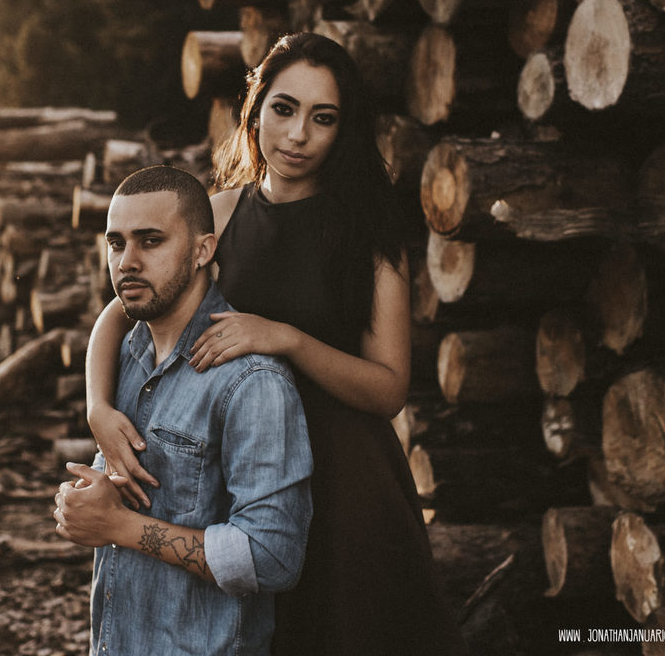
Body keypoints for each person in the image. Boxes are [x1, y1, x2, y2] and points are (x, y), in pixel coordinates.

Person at [85, 33, 467, 655]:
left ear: (344, 131)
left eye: (323, 118)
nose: (297, 136)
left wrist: (286, 338)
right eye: (283, 109)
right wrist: (99, 409)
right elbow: (119, 314)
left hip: (343, 482)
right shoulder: (222, 213)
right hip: (233, 474)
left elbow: (389, 388)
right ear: (255, 109)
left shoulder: (368, 233)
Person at [53, 165, 313, 656]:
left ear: (202, 250)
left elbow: (273, 557)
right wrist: (86, 503)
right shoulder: (126, 355)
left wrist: (119, 527)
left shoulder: (252, 381)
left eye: (150, 241)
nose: (127, 262)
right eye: (116, 244)